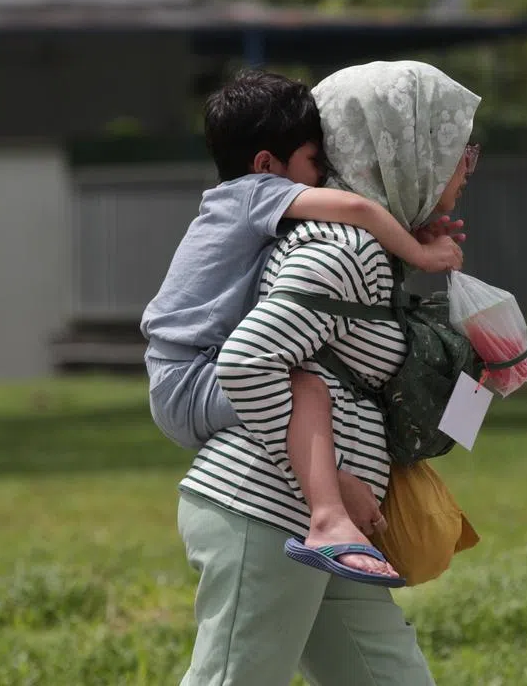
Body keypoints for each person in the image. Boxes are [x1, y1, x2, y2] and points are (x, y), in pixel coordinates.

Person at [175, 60, 481, 685]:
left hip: (313, 525)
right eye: (455, 146)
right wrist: (336, 483)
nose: (467, 165)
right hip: (269, 511)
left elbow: (367, 366)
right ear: (404, 150)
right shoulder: (342, 249)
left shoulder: (360, 247)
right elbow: (249, 360)